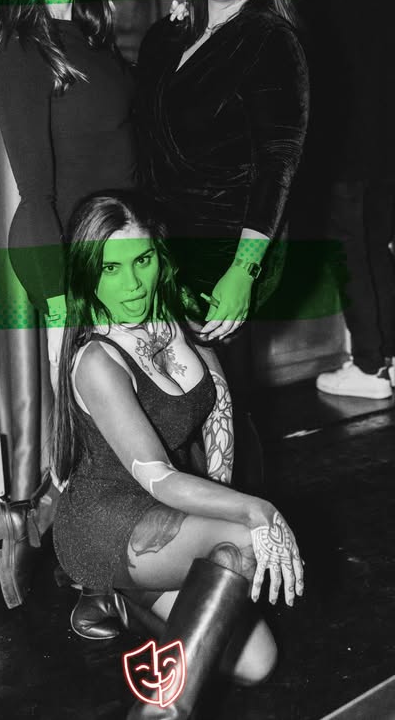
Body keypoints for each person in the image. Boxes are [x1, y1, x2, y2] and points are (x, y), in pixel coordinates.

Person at [52, 191, 304, 719]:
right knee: (245, 536)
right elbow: (159, 478)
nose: (131, 284)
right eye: (111, 268)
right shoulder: (96, 359)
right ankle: (160, 712)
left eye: (142, 260)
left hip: (171, 511)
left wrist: (224, 507)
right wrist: (253, 511)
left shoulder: (174, 317)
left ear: (159, 257)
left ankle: (122, 602)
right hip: (107, 521)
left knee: (257, 663)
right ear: (87, 271)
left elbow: (218, 412)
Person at [0, 0, 136, 609]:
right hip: (72, 267)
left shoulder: (95, 41)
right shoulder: (22, 49)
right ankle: (91, 578)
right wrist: (57, 300)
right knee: (96, 437)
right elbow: (34, 191)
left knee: (130, 426)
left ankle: (43, 522)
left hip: (128, 259)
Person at [133, 0, 308, 489]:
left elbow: (278, 163)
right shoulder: (164, 38)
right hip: (161, 254)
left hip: (224, 257)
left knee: (222, 414)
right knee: (170, 418)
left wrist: (243, 270)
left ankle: (247, 534)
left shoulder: (271, 39)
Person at [292, 0, 395, 399]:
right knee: (378, 254)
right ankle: (388, 359)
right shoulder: (388, 0)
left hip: (341, 158)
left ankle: (371, 368)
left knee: (351, 258)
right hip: (386, 157)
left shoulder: (316, 9)